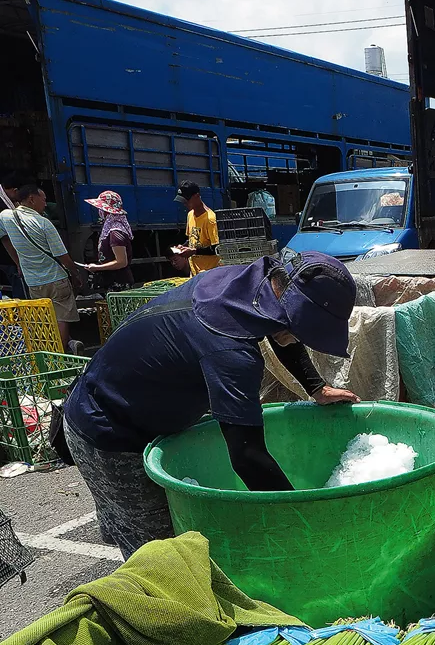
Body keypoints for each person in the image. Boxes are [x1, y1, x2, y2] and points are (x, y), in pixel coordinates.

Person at [62, 253, 358, 559]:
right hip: (109, 430)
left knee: (159, 539)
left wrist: (316, 387)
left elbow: (281, 330)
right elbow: (248, 457)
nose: (300, 338)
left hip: (131, 396)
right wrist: (304, 521)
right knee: (162, 557)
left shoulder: (250, 284)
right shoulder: (231, 352)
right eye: (303, 330)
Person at [0, 184, 82, 348]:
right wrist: (76, 274)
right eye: (43, 200)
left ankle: (48, 353)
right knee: (61, 317)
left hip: (33, 282)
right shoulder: (43, 223)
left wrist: (18, 263)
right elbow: (62, 256)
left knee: (44, 318)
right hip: (57, 280)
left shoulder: (5, 216)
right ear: (32, 199)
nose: (45, 204)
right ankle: (60, 354)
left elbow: (4, 238)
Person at [81, 189, 135, 287]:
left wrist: (97, 267)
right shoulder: (112, 230)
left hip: (119, 283)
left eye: (101, 209)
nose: (99, 211)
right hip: (112, 280)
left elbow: (121, 262)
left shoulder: (116, 233)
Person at [173, 182, 220, 275]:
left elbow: (217, 248)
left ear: (197, 196)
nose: (184, 203)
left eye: (186, 200)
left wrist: (194, 251)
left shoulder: (210, 219)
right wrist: (182, 247)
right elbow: (192, 239)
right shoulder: (190, 215)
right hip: (195, 273)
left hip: (209, 274)